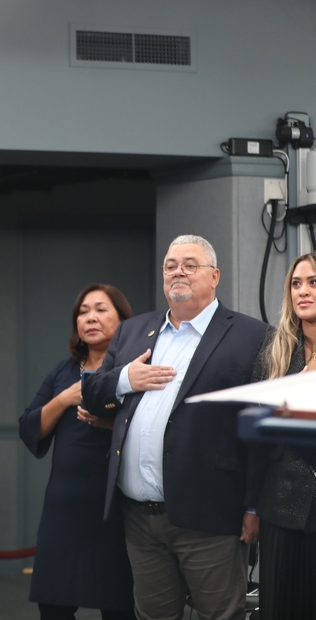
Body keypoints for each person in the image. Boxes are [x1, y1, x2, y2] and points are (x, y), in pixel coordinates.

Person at [82, 234, 270, 620]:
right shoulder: (133, 331)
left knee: (220, 615)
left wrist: (254, 506)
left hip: (212, 517)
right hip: (139, 518)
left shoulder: (252, 336)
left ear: (215, 276)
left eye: (190, 264)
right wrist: (125, 380)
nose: (178, 272)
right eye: (170, 266)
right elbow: (92, 395)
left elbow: (260, 430)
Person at [19, 284, 137, 620]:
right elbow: (30, 426)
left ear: (122, 319)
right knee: (54, 606)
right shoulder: (64, 371)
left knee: (119, 606)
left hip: (115, 506)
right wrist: (63, 399)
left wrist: (107, 424)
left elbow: (151, 429)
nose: (90, 318)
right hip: (64, 507)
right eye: (83, 312)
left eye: (101, 310)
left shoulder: (132, 371)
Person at [255, 252, 316, 619]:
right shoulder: (277, 354)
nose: (303, 291)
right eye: (296, 283)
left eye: (313, 282)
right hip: (281, 506)